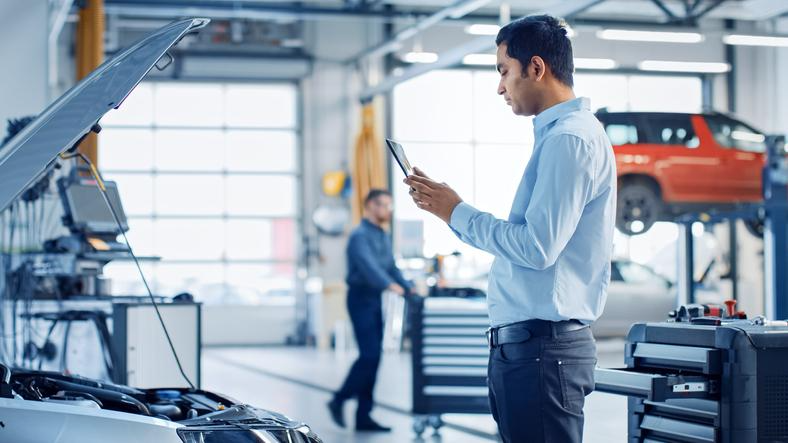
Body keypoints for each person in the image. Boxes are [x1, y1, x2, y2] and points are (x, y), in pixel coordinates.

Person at [403, 15, 616, 443]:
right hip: (531, 349)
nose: (500, 87)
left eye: (504, 71)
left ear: (536, 68)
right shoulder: (560, 137)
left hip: (542, 351)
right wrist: (452, 212)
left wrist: (456, 211)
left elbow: (537, 247)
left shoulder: (569, 140)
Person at [327, 189, 411, 432]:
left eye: (389, 205)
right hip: (360, 298)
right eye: (383, 205)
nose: (387, 210)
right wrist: (389, 285)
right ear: (370, 206)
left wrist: (408, 287)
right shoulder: (359, 236)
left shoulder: (383, 235)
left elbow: (390, 266)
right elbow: (368, 267)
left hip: (375, 300)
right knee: (370, 355)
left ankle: (364, 416)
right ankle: (339, 399)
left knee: (374, 358)